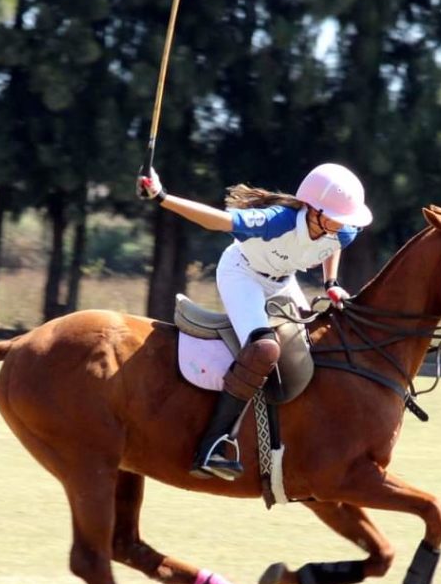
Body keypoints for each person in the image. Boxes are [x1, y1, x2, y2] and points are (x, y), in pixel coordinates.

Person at [137, 162, 373, 482]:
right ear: (313, 209)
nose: (343, 225)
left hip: (282, 282)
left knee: (317, 344)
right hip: (242, 275)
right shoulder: (278, 221)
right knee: (263, 350)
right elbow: (219, 221)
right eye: (336, 216)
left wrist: (330, 283)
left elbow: (335, 244)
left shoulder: (340, 229)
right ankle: (214, 445)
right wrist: (163, 196)